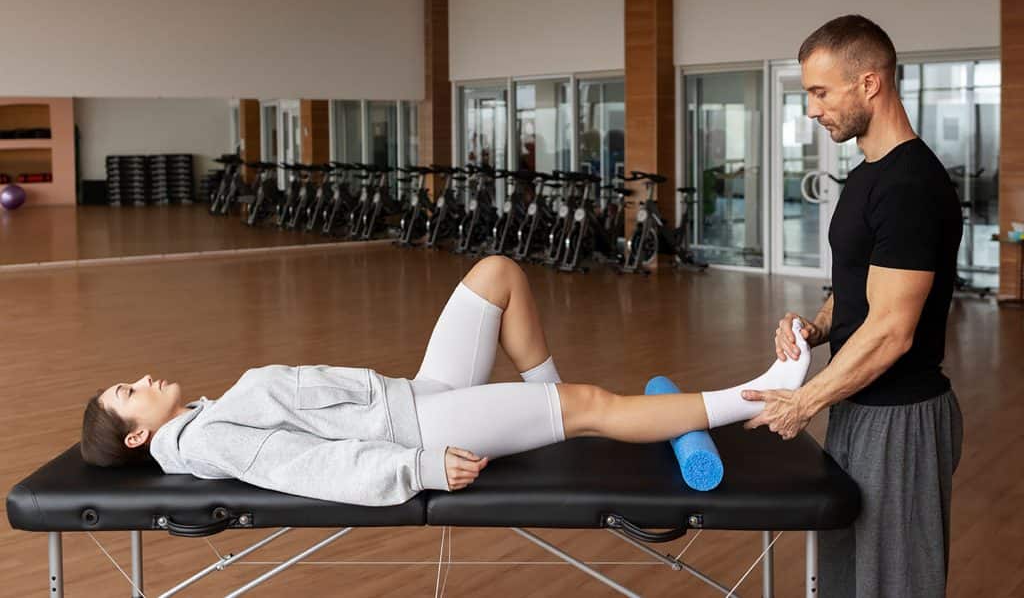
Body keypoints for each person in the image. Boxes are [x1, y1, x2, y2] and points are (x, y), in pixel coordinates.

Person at [81, 256, 811, 507]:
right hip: (418, 431)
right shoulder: (211, 437)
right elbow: (313, 467)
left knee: (496, 274)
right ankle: (765, 389)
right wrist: (419, 468)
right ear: (140, 432)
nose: (141, 378)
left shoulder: (206, 417)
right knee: (593, 406)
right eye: (127, 391)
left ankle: (544, 405)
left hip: (412, 394)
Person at [742, 15, 963, 597]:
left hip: (900, 418)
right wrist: (817, 327)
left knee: (894, 583)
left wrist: (803, 401)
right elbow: (863, 283)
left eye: (820, 92)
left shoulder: (910, 185)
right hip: (856, 403)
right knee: (846, 571)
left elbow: (892, 330)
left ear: (869, 83)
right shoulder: (868, 176)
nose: (812, 110)